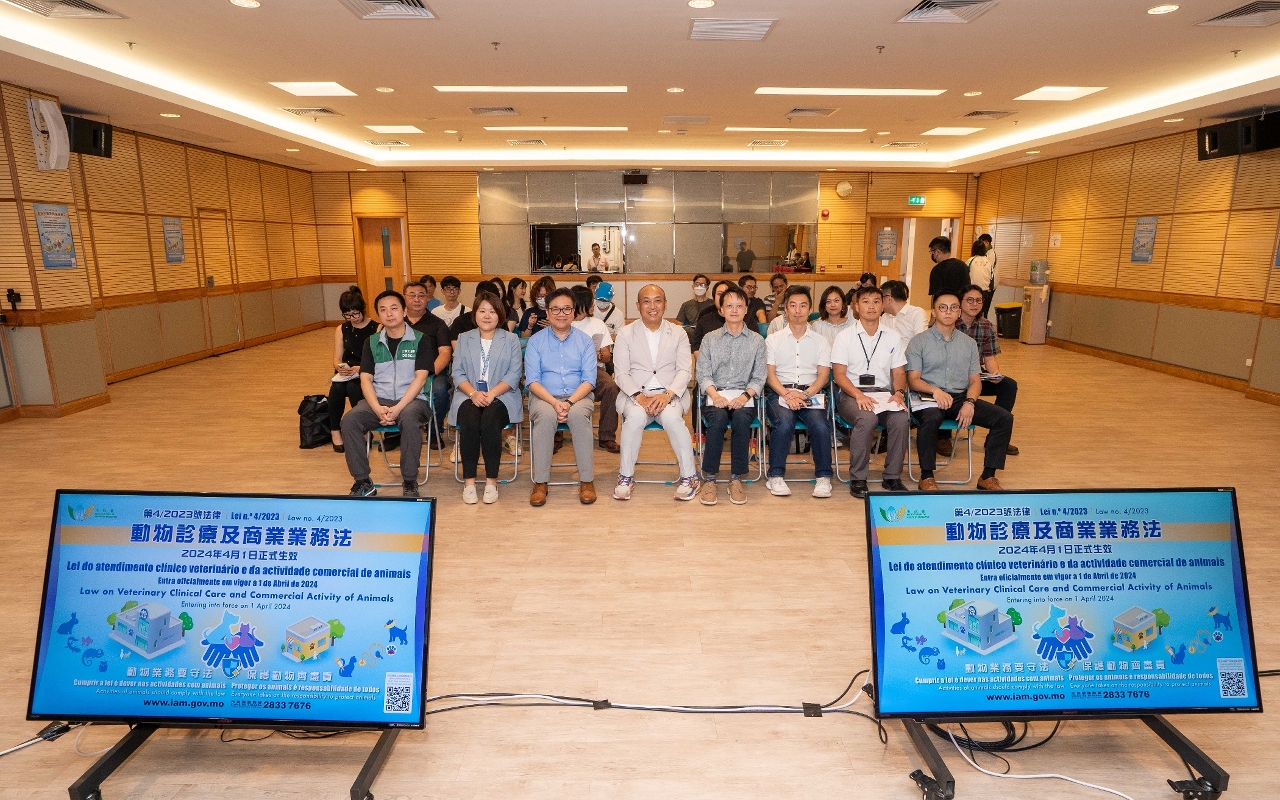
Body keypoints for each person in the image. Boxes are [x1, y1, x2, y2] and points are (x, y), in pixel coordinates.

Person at [906, 292, 1014, 492]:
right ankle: (927, 476)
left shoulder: (969, 344)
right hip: (927, 396)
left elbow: (975, 381)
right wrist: (935, 391)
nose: (948, 312)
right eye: (943, 307)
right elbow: (913, 380)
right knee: (931, 418)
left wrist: (969, 402)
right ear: (934, 312)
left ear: (958, 312)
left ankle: (988, 476)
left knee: (1003, 418)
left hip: (959, 397)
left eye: (953, 307)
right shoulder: (919, 342)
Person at [340, 290, 433, 497]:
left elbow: (420, 379)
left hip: (413, 400)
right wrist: (377, 408)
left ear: (404, 311)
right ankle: (363, 482)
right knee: (350, 420)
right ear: (378, 314)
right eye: (383, 310)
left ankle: (410, 481)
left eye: (394, 308)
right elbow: (365, 379)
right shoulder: (371, 342)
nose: (389, 314)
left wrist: (397, 408)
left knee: (409, 419)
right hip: (379, 400)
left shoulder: (421, 340)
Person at [612, 284, 699, 501]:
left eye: (657, 300)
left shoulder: (678, 332)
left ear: (665, 304)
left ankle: (690, 477)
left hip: (668, 395)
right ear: (638, 305)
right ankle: (625, 477)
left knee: (673, 419)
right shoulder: (625, 333)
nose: (652, 306)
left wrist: (667, 395)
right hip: (636, 395)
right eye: (647, 301)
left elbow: (684, 370)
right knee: (634, 418)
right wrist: (638, 396)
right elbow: (621, 373)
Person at [831, 285, 910, 498]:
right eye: (865, 302)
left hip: (883, 394)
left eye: (876, 301)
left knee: (901, 419)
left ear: (883, 305)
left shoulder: (893, 337)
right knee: (866, 419)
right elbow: (839, 375)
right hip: (852, 393)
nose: (871, 306)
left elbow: (899, 372)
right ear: (856, 307)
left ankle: (892, 477)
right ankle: (858, 478)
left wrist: (899, 393)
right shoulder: (845, 336)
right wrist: (859, 395)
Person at [524, 288, 598, 506]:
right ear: (547, 312)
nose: (561, 313)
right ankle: (540, 482)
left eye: (566, 309)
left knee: (577, 416)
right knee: (546, 416)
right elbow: (532, 381)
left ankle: (587, 480)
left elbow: (589, 380)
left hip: (578, 397)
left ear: (573, 311)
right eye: (555, 309)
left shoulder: (585, 341)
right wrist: (555, 403)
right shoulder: (536, 341)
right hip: (544, 397)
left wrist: (569, 402)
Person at [695, 285, 767, 506]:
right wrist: (715, 395)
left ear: (746, 310)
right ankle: (710, 478)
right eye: (729, 306)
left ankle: (736, 478)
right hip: (715, 395)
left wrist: (744, 397)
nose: (734, 310)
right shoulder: (709, 339)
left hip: (744, 396)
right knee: (717, 420)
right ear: (721, 310)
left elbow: (759, 377)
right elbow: (703, 373)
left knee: (742, 420)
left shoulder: (757, 341)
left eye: (739, 306)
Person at [448, 293, 523, 505]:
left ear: (499, 315)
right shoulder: (464, 338)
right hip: (468, 394)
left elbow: (514, 373)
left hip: (502, 396)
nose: (487, 316)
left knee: (490, 420)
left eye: (492, 311)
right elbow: (457, 373)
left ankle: (491, 481)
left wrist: (492, 394)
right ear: (475, 314)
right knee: (470, 420)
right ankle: (469, 482)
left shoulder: (511, 339)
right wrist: (473, 393)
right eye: (482, 311)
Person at [764, 286, 833, 498]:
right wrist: (787, 394)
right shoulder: (773, 339)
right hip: (779, 393)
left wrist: (805, 395)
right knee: (784, 423)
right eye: (793, 305)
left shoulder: (821, 341)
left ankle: (824, 477)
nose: (797, 310)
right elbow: (769, 375)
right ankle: (775, 475)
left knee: (821, 425)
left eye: (803, 305)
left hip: (810, 394)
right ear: (785, 309)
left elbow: (823, 376)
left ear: (810, 309)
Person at [956, 284, 1019, 456]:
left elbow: (990, 358)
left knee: (1008, 385)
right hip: (951, 376)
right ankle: (942, 437)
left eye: (978, 300)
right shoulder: (950, 322)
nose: (974, 304)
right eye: (970, 300)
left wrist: (994, 374)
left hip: (975, 375)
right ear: (960, 302)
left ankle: (997, 438)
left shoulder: (986, 326)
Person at [571, 285, 621, 453]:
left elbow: (606, 356)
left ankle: (607, 437)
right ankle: (556, 435)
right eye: (590, 302)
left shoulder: (597, 324)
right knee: (556, 385)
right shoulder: (565, 323)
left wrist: (598, 354)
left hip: (593, 369)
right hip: (569, 370)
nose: (594, 305)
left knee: (611, 387)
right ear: (580, 304)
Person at [328, 286, 377, 452]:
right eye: (347, 315)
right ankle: (335, 430)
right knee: (336, 388)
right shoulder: (342, 329)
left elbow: (379, 360)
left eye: (355, 314)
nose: (352, 318)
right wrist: (339, 367)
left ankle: (364, 429)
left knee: (353, 388)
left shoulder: (376, 328)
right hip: (346, 372)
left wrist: (361, 368)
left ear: (362, 309)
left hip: (366, 371)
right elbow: (336, 358)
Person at [404, 281, 453, 445]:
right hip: (402, 372)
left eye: (421, 296)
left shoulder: (437, 323)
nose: (417, 299)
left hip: (433, 372)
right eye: (412, 295)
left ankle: (434, 430)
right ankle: (396, 433)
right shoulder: (396, 322)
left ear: (427, 298)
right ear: (404, 298)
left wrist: (428, 374)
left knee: (440, 390)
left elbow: (445, 353)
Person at [690, 280, 732, 353]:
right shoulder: (705, 317)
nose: (723, 297)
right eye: (719, 294)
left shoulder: (745, 318)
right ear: (714, 297)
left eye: (727, 294)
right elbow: (696, 348)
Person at [927, 236, 969, 302]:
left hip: (945, 305)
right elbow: (967, 289)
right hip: (961, 304)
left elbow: (935, 296)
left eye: (932, 252)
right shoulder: (963, 265)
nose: (933, 256)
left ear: (937, 252)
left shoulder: (937, 270)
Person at [967, 240, 996, 319]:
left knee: (971, 314)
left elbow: (966, 277)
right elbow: (992, 278)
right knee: (983, 314)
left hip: (972, 291)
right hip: (985, 292)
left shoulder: (970, 261)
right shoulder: (988, 262)